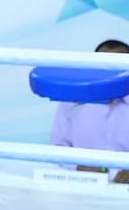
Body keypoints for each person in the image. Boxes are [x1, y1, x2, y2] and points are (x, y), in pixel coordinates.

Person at [49, 38, 129, 183]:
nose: (112, 72)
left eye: (118, 65)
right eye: (105, 65)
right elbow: (58, 146)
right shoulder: (71, 101)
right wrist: (78, 167)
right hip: (81, 184)